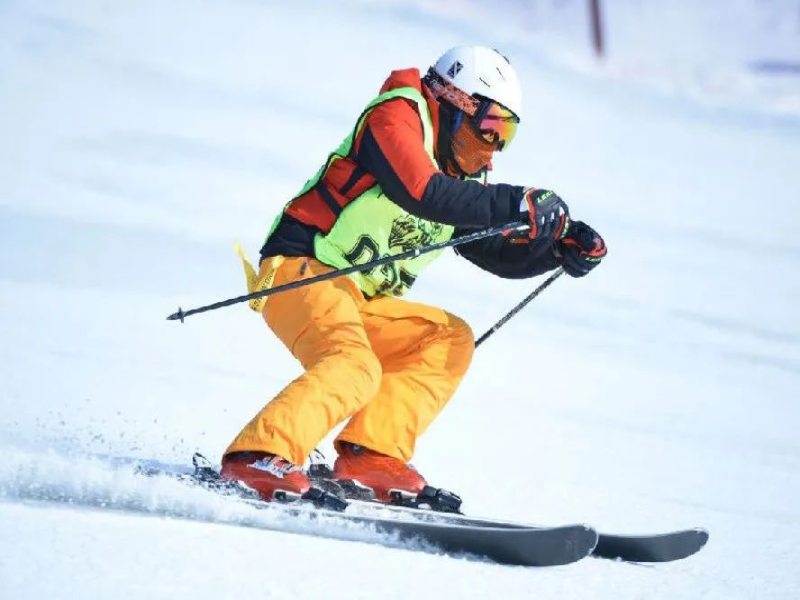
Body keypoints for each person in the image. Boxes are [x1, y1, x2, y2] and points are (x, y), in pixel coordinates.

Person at [222, 46, 607, 503]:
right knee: (354, 366)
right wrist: (516, 201)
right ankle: (259, 455)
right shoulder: (397, 116)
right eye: (491, 127)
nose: (494, 147)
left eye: (507, 134)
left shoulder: (463, 178)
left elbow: (491, 249)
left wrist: (556, 250)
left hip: (358, 298)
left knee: (448, 339)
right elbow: (421, 191)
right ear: (456, 102)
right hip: (300, 270)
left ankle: (371, 452)